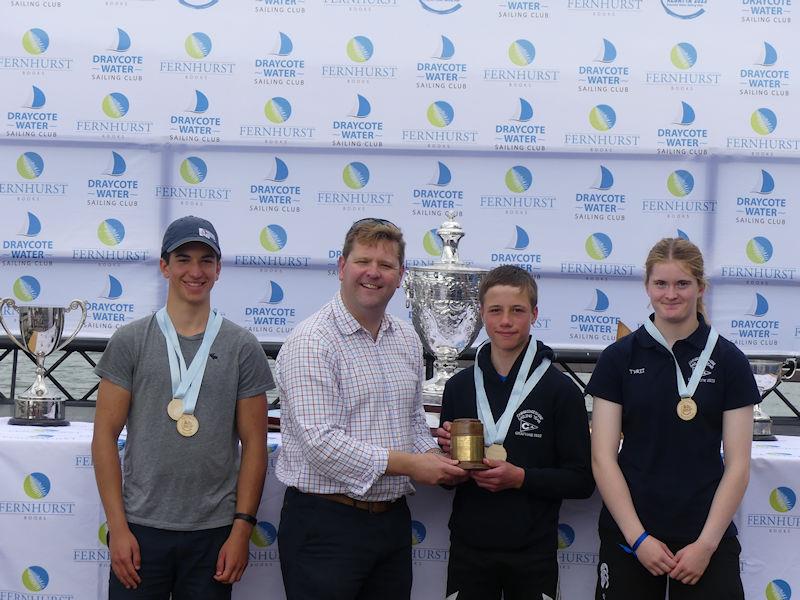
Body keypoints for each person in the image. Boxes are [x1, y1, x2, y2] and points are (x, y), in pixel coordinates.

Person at [275, 217, 466, 600]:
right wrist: (413, 465)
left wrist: (438, 462)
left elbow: (412, 420)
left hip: (391, 523)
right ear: (342, 267)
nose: (373, 273)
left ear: (401, 276)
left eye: (386, 265)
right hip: (325, 525)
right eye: (364, 261)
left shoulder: (407, 338)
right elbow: (321, 443)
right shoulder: (311, 342)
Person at [92, 215, 273, 599]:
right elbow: (104, 438)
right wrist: (118, 528)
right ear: (165, 266)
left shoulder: (243, 346)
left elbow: (255, 446)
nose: (195, 271)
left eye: (206, 260)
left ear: (219, 269)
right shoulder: (130, 340)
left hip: (213, 535)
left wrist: (241, 530)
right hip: (140, 531)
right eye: (184, 259)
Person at [588, 237, 758, 599]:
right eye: (660, 284)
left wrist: (707, 545)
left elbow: (739, 465)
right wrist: (639, 538)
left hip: (705, 536)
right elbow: (603, 458)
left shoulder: (730, 361)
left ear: (700, 288)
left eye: (682, 283)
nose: (671, 294)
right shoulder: (618, 358)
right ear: (647, 286)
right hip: (632, 534)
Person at [435, 264, 594, 600]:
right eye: (495, 310)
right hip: (469, 549)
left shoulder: (560, 390)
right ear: (481, 314)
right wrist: (447, 466)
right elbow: (448, 480)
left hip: (533, 553)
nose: (505, 321)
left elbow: (581, 480)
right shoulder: (459, 387)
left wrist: (521, 478)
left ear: (534, 314)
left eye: (517, 310)